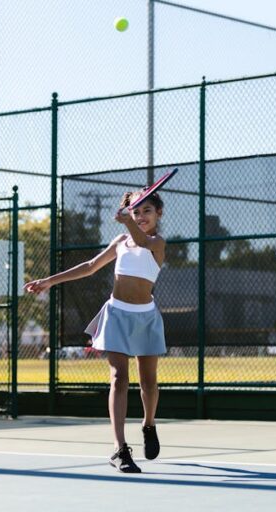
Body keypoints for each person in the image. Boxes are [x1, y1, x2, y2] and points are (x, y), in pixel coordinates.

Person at [23, 188, 167, 474]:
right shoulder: (121, 241)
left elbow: (141, 239)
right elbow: (90, 266)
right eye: (135, 211)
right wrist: (49, 281)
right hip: (116, 314)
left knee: (148, 383)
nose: (140, 216)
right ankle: (120, 448)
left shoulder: (157, 242)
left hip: (146, 318)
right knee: (118, 378)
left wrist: (127, 222)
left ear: (158, 214)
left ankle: (148, 424)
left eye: (146, 211)